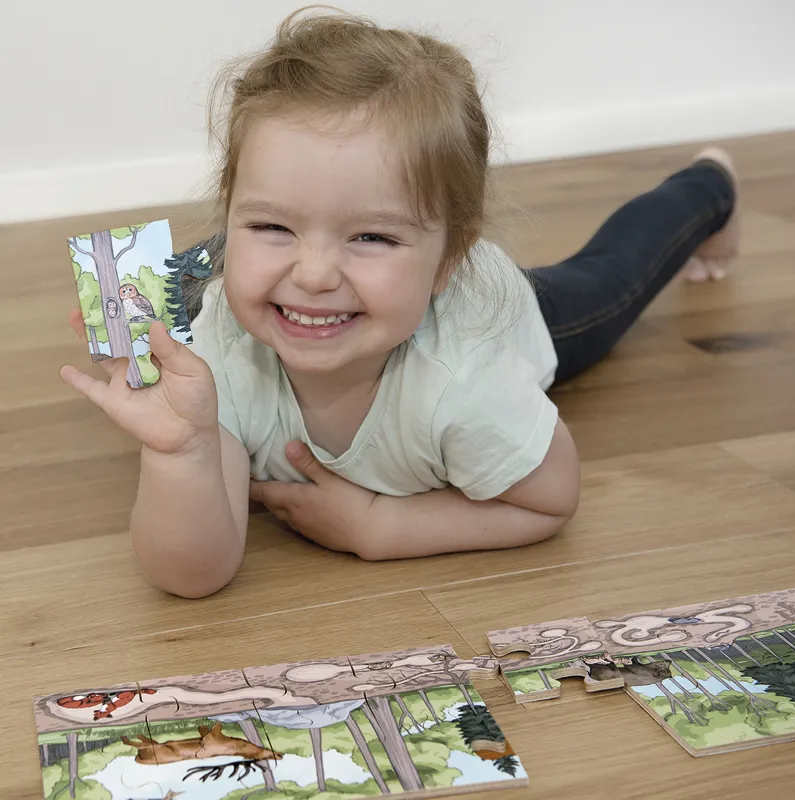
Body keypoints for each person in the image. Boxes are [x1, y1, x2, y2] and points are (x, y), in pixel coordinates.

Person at [60, 7, 740, 598]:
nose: (316, 273)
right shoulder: (228, 357)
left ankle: (710, 184)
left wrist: (383, 527)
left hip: (494, 312)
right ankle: (243, 251)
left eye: (372, 235)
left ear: (448, 258)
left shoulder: (468, 382)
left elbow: (551, 503)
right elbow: (194, 574)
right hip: (240, 291)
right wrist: (181, 450)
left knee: (612, 279)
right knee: (222, 282)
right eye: (270, 223)